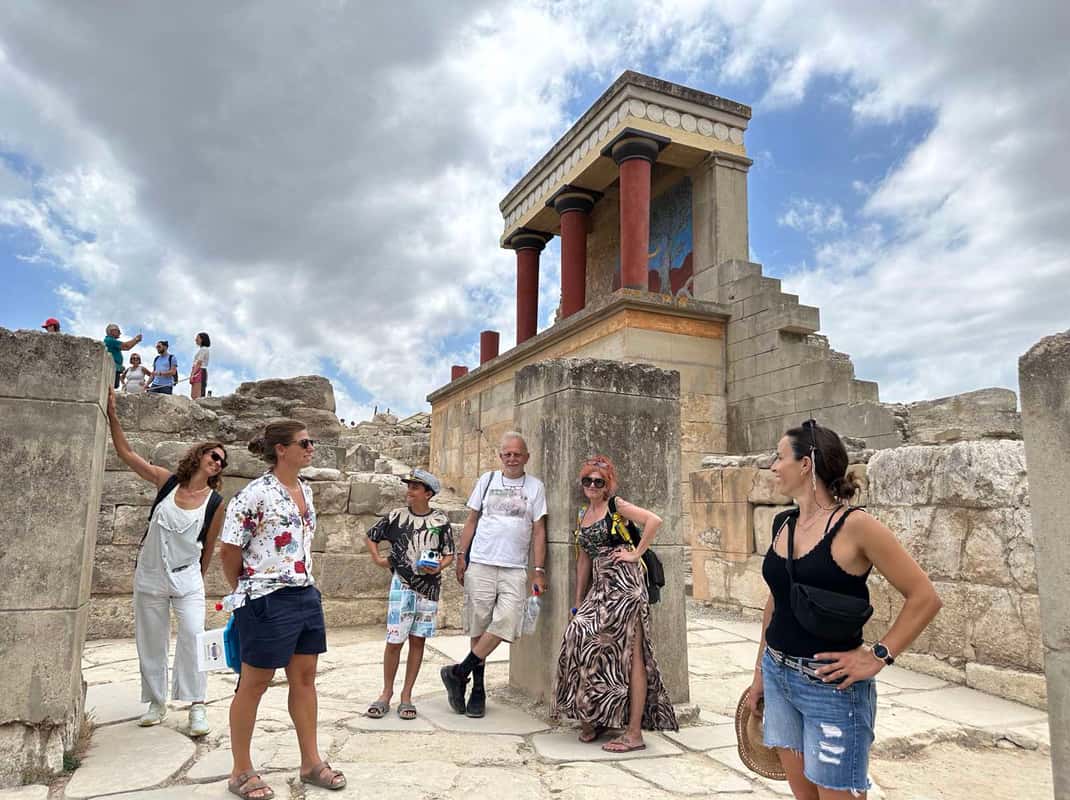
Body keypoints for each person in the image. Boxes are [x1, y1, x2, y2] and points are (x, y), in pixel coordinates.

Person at [748, 420, 942, 799]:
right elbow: (777, 599)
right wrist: (759, 672)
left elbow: (924, 596)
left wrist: (878, 656)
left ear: (807, 464)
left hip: (831, 687)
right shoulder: (782, 523)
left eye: (779, 456)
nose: (772, 466)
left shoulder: (857, 527)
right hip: (779, 675)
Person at [220, 421, 345, 799]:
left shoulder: (304, 489)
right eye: (304, 443)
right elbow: (229, 549)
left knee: (305, 680)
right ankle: (240, 770)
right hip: (265, 597)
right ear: (281, 449)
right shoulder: (254, 495)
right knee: (254, 683)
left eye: (312, 442)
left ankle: (310, 762)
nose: (311, 448)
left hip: (305, 594)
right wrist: (244, 589)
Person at [105, 388, 225, 737]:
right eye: (214, 455)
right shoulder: (167, 482)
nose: (217, 462)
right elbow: (126, 454)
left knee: (193, 635)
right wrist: (113, 416)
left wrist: (195, 580)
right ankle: (156, 702)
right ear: (200, 456)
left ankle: (197, 704)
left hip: (186, 578)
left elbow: (208, 547)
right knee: (151, 639)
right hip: (150, 574)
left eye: (222, 461)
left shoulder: (216, 502)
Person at [551, 455, 678, 752]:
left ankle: (634, 733)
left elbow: (653, 521)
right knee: (578, 636)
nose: (592, 486)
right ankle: (595, 715)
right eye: (587, 481)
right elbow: (583, 557)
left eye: (599, 482)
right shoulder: (583, 513)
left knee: (632, 654)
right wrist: (578, 600)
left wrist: (636, 553)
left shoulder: (615, 505)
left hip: (625, 585)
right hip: (601, 587)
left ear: (608, 485)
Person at [441, 431, 547, 718]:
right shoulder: (486, 481)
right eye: (507, 454)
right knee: (479, 623)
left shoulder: (535, 487)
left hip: (514, 566)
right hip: (482, 562)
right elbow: (472, 520)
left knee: (508, 620)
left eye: (517, 454)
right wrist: (462, 556)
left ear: (526, 457)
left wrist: (539, 570)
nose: (512, 458)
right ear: (501, 457)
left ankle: (458, 672)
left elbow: (539, 530)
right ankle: (478, 689)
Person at [365, 469, 454, 721]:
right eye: (409, 486)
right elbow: (372, 536)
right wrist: (378, 559)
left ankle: (407, 696)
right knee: (394, 640)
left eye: (415, 487)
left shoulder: (440, 521)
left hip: (429, 589)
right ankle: (386, 693)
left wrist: (439, 566)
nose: (409, 491)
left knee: (417, 641)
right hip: (401, 585)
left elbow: (449, 553)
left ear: (428, 493)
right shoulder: (396, 516)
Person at [104, 324, 142, 389]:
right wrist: (136, 339)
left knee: (111, 388)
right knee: (110, 389)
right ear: (112, 331)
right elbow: (126, 346)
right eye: (118, 331)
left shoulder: (110, 340)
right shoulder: (110, 340)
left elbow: (126, 347)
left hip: (114, 369)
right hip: (112, 369)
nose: (120, 333)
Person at [190, 332, 211, 400]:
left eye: (197, 338)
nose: (196, 339)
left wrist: (192, 375)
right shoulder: (202, 349)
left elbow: (199, 363)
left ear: (202, 339)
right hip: (198, 371)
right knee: (194, 395)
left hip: (199, 371)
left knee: (197, 395)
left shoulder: (204, 349)